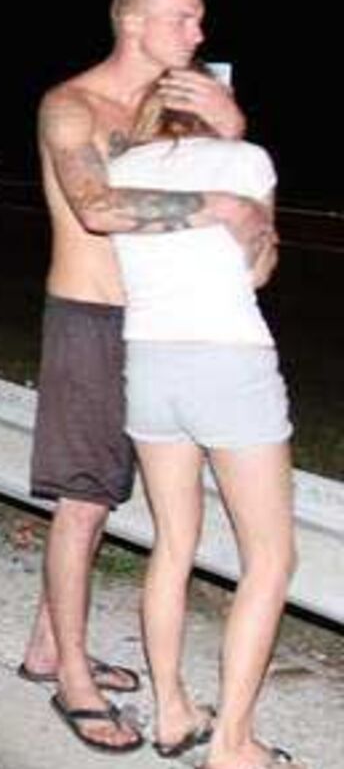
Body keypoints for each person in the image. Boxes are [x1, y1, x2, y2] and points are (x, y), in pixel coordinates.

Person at [20, 0, 272, 754]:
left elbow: (252, 211)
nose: (199, 35)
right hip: (93, 320)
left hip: (165, 333)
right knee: (85, 501)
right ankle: (72, 683)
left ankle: (46, 643)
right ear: (135, 25)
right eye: (184, 19)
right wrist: (216, 204)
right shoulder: (73, 105)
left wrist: (231, 131)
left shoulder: (176, 110)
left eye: (201, 20)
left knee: (126, 502)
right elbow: (97, 208)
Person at [112, 81, 298, 769]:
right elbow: (257, 273)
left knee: (173, 543)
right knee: (270, 558)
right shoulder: (247, 161)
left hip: (151, 364)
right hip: (228, 361)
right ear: (217, 104)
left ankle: (171, 712)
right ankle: (233, 743)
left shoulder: (122, 168)